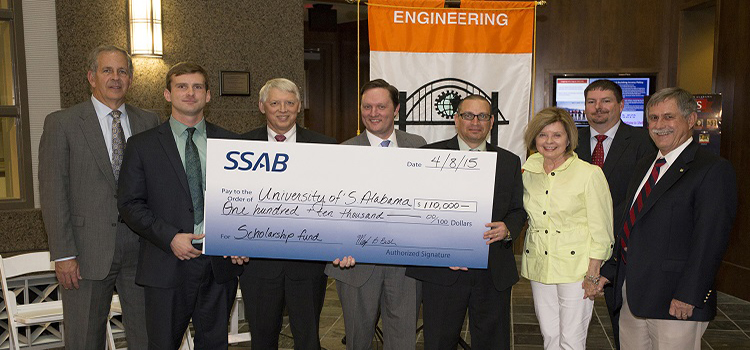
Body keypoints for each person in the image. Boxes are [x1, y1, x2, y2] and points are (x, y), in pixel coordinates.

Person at [599, 87, 737, 350]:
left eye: (668, 117)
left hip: (675, 301)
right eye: (653, 118)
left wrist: (688, 294)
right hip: (633, 294)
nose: (659, 125)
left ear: (691, 120)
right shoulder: (645, 164)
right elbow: (631, 224)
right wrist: (611, 271)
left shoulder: (712, 170)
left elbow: (710, 240)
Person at [39, 45, 157, 349]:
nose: (115, 78)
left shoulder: (150, 121)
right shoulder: (62, 123)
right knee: (84, 340)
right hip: (85, 252)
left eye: (122, 71)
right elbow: (53, 191)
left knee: (148, 337)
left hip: (142, 250)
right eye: (107, 70)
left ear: (131, 79)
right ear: (91, 77)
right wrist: (63, 254)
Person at [117, 62, 243, 349]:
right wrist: (170, 237)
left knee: (214, 345)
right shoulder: (142, 145)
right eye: (182, 87)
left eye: (198, 87)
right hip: (166, 263)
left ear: (208, 95)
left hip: (218, 265)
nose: (190, 93)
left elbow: (245, 201)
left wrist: (240, 240)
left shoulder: (232, 143)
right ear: (167, 94)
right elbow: (129, 204)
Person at [405, 95, 526, 350]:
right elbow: (415, 211)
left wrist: (507, 229)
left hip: (493, 272)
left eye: (482, 116)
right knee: (438, 342)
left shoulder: (509, 161)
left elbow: (518, 211)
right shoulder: (428, 156)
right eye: (468, 115)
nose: (475, 122)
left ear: (491, 122)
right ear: (456, 119)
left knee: (494, 343)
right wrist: (441, 250)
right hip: (443, 272)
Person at [326, 79, 426, 350]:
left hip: (405, 265)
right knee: (358, 340)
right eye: (367, 107)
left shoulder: (419, 146)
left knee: (403, 340)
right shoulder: (342, 152)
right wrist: (336, 247)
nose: (373, 113)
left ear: (396, 110)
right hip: (355, 264)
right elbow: (329, 211)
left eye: (381, 106)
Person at [239, 78, 336, 350]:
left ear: (300, 106)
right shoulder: (239, 146)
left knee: (308, 340)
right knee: (262, 338)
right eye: (275, 103)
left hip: (307, 264)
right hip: (257, 263)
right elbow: (231, 202)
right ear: (262, 106)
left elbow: (335, 202)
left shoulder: (326, 147)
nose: (283, 109)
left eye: (289, 103)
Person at [521, 107, 614, 350]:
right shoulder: (528, 171)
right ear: (534, 139)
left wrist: (593, 273)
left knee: (572, 339)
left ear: (569, 139)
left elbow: (602, 229)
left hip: (577, 269)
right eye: (542, 135)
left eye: (557, 135)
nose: (549, 141)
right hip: (540, 265)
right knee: (550, 335)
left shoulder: (589, 174)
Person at [574, 79, 655, 347]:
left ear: (621, 105)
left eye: (606, 101)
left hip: (624, 250)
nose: (598, 108)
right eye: (591, 102)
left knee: (625, 329)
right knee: (568, 327)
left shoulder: (645, 142)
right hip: (574, 250)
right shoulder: (567, 141)